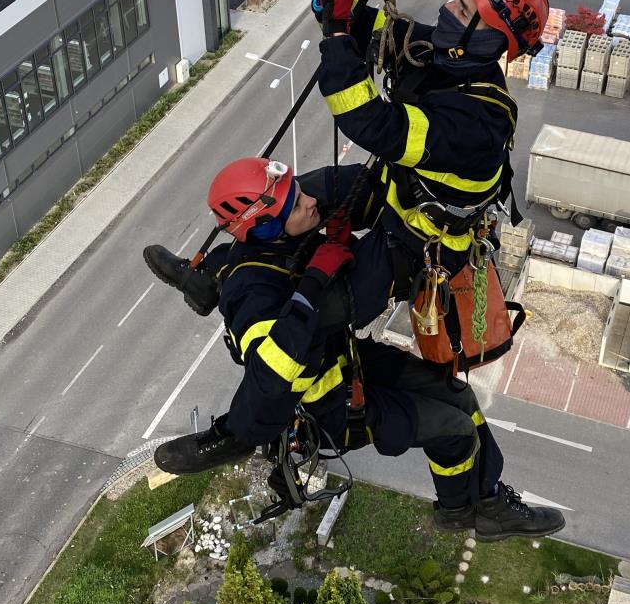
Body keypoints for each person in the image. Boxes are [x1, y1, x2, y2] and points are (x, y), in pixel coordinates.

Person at [152, 155, 565, 540]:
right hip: (330, 406)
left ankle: (490, 500)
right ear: (263, 227)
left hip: (349, 362)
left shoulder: (268, 241)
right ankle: (457, 510)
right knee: (455, 432)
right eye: (297, 205)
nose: (311, 202)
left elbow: (225, 260)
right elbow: (273, 372)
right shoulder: (252, 291)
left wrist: (195, 278)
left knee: (459, 394)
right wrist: (313, 283)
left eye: (301, 194)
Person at [309, 0, 549, 327]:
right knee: (292, 198)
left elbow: (371, 122)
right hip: (399, 191)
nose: (447, 7)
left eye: (463, 10)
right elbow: (376, 31)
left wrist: (337, 33)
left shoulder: (478, 124)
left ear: (488, 41)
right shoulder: (449, 54)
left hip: (422, 241)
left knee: (325, 314)